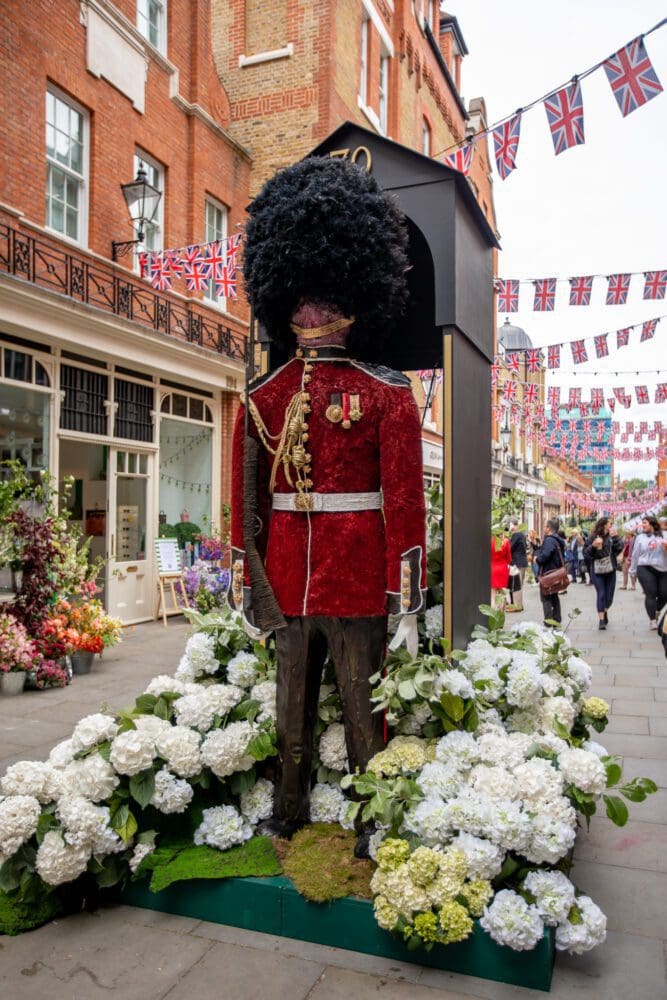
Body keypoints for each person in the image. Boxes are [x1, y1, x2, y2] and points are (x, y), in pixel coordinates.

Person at [230, 157, 426, 854]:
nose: (311, 313)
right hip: (286, 576)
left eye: (325, 299)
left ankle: (372, 818)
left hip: (358, 577)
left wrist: (403, 596)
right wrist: (246, 577)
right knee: (290, 709)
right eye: (303, 300)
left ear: (351, 303)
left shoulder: (386, 393)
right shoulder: (262, 396)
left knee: (361, 707)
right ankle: (288, 807)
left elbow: (404, 503)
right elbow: (247, 503)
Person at [584, 517, 623, 630]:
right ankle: (601, 620)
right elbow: (586, 553)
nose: (612, 525)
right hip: (597, 570)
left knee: (609, 597)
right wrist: (593, 546)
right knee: (601, 594)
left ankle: (605, 611)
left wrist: (616, 538)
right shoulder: (593, 536)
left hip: (610, 570)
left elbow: (619, 548)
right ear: (604, 525)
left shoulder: (612, 537)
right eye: (610, 523)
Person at [629, 514, 667, 629]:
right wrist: (633, 570)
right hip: (645, 567)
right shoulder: (640, 537)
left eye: (645, 523)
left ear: (652, 524)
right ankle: (653, 620)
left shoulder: (664, 535)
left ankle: (656, 610)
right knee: (651, 592)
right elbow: (635, 555)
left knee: (664, 594)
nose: (642, 525)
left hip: (663, 568)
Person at [534, 518, 566, 625]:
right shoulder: (557, 540)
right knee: (554, 596)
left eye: (544, 526)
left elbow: (545, 555)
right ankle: (557, 618)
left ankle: (549, 620)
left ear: (549, 528)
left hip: (549, 573)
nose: (543, 528)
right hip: (555, 571)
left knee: (546, 597)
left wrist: (537, 559)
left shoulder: (549, 540)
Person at [491, 532, 511, 610]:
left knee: (492, 595)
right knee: (502, 594)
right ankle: (501, 614)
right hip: (503, 569)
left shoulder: (490, 541)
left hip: (492, 568)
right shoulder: (505, 541)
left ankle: (492, 615)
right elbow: (509, 558)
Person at [508, 517, 528, 589]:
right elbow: (525, 546)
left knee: (516, 588)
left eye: (510, 525)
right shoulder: (522, 535)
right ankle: (518, 600)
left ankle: (517, 601)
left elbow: (509, 548)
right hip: (523, 562)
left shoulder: (516, 535)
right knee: (519, 586)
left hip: (517, 564)